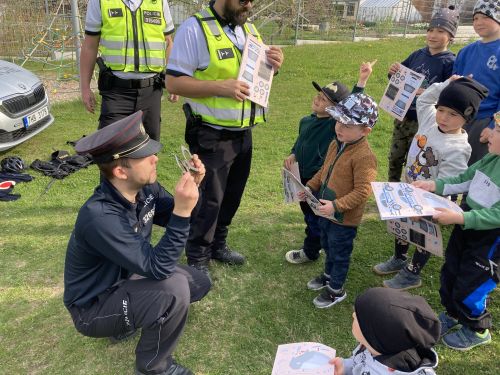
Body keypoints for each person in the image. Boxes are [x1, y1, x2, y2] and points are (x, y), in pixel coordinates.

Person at [63, 111, 211, 375]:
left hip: (127, 276)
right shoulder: (100, 217)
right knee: (175, 289)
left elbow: (176, 215)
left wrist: (194, 189)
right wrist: (183, 211)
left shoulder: (144, 189)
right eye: (146, 156)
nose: (155, 158)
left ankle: (137, 314)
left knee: (198, 283)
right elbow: (159, 268)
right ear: (120, 170)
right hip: (93, 307)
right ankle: (153, 366)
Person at [165, 0, 284, 274]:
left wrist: (275, 65)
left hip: (243, 132)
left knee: (231, 195)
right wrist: (220, 87)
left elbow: (256, 75)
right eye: (243, 0)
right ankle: (198, 257)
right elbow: (173, 82)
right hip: (211, 134)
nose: (249, 4)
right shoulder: (194, 29)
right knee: (209, 200)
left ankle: (218, 245)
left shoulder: (249, 29)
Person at [374, 77, 488, 290]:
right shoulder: (429, 120)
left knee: (423, 233)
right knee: (402, 224)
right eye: (441, 110)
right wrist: (445, 84)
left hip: (432, 200)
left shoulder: (458, 147)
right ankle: (399, 257)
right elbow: (424, 100)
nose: (443, 117)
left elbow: (448, 183)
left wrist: (425, 207)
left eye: (453, 114)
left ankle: (413, 272)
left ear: (467, 118)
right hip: (410, 188)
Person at [412, 111, 500, 351]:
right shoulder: (491, 159)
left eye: (498, 130)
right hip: (466, 223)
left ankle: (477, 329)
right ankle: (452, 313)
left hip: (491, 239)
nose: (489, 133)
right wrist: (434, 185)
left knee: (473, 284)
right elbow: (465, 178)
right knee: (451, 269)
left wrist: (461, 217)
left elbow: (496, 215)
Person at [284, 61, 375, 265]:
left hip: (320, 180)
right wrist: (293, 153)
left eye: (324, 100)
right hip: (303, 179)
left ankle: (312, 250)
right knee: (309, 216)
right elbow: (301, 141)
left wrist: (362, 81)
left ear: (336, 111)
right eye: (318, 95)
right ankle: (317, 244)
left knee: (317, 221)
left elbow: (353, 102)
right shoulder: (306, 121)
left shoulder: (331, 125)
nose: (318, 99)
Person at [299, 93, 378, 308]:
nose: (340, 127)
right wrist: (310, 187)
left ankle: (336, 290)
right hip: (325, 211)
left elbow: (363, 191)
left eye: (348, 124)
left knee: (339, 252)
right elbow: (324, 170)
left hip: (343, 219)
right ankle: (327, 275)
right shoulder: (336, 143)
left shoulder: (364, 157)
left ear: (365, 130)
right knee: (326, 244)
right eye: (339, 121)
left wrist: (336, 205)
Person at [80, 0, 178, 141]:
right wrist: (85, 88)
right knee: (111, 151)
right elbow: (89, 45)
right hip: (116, 92)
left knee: (148, 152)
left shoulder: (159, 1)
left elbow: (168, 42)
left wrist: (172, 79)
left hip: (151, 92)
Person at [387, 6, 458, 183]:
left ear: (450, 37)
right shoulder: (417, 54)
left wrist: (426, 92)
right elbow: (399, 77)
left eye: (440, 31)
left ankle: (411, 193)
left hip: (425, 122)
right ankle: (391, 188)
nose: (433, 35)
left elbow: (450, 93)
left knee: (416, 161)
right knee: (394, 157)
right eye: (430, 30)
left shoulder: (450, 62)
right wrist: (393, 71)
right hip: (403, 116)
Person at [329, 287, 440, 375]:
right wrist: (346, 367)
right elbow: (361, 361)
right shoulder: (373, 347)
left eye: (359, 318)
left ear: (374, 335)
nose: (353, 315)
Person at [453, 0, 500, 165]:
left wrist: (495, 126)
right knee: (450, 168)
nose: (478, 22)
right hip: (459, 118)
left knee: (475, 172)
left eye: (485, 17)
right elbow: (453, 84)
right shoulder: (465, 52)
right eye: (475, 18)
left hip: (485, 121)